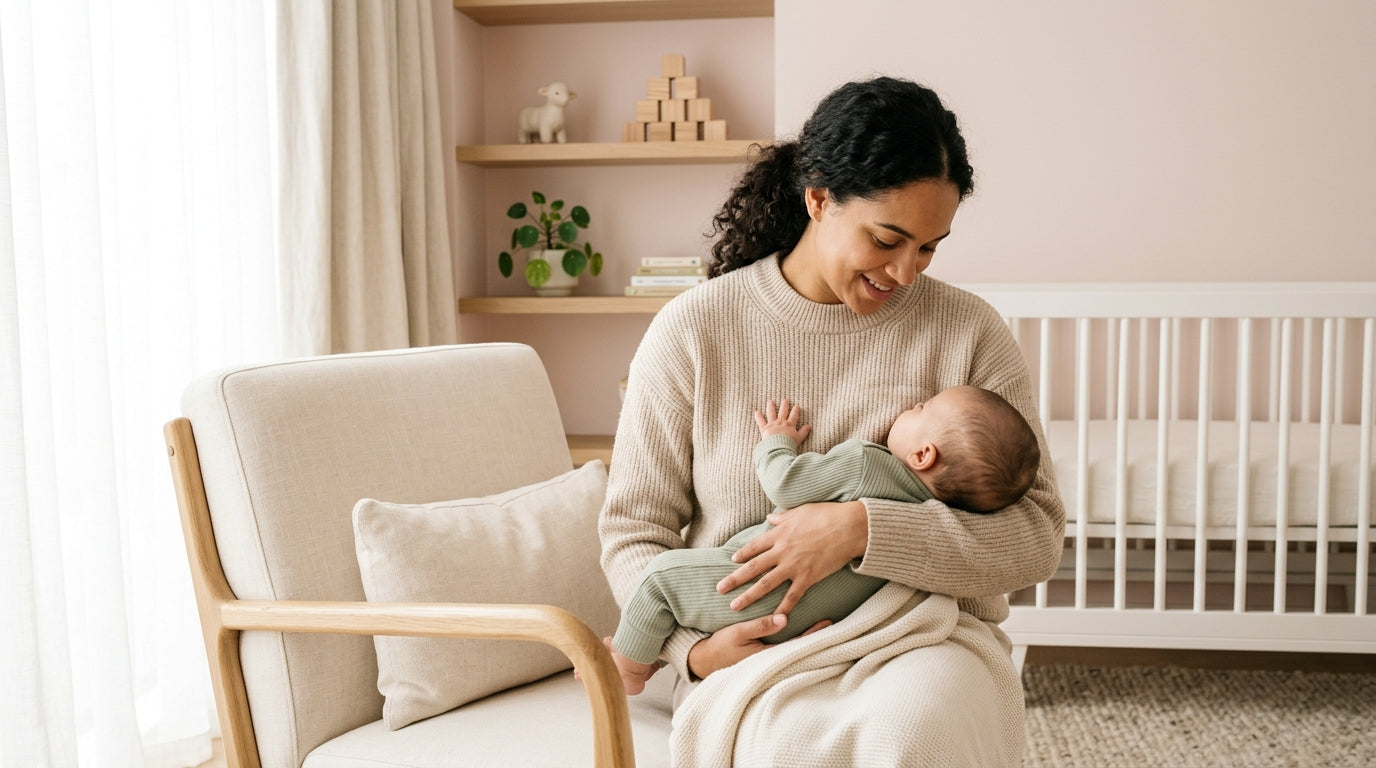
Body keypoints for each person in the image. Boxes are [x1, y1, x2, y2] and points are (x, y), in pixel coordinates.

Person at [599, 75, 1065, 767]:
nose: (907, 272)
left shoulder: (968, 332)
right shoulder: (694, 330)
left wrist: (862, 530)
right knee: (787, 744)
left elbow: (1034, 539)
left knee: (909, 729)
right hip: (751, 643)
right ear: (818, 199)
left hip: (917, 636)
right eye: (888, 239)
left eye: (931, 247)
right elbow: (635, 532)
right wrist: (688, 652)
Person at [607, 387, 1041, 695]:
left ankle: (628, 666)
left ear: (924, 455)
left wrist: (776, 443)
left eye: (920, 408)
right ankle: (653, 652)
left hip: (744, 593)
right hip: (805, 630)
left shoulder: (864, 464)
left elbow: (786, 484)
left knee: (660, 580)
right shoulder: (942, 514)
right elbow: (633, 528)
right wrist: (694, 654)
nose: (911, 405)